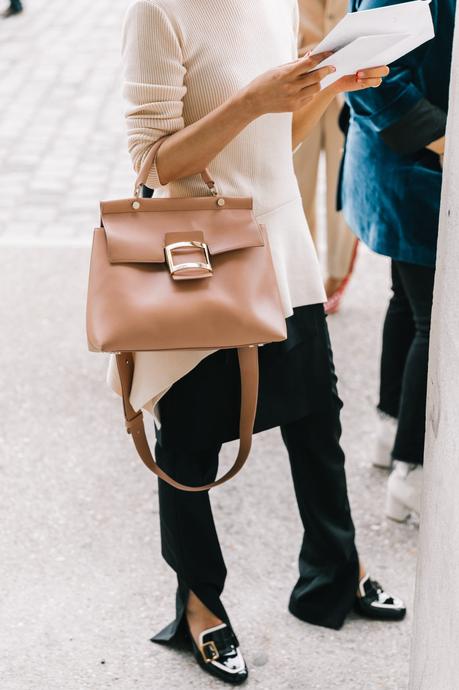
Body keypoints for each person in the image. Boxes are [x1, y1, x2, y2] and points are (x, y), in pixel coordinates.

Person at [116, 0, 403, 683]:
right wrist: (249, 99)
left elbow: (281, 138)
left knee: (315, 419)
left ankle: (333, 571)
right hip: (199, 251)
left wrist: (329, 87)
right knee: (189, 442)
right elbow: (153, 161)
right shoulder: (158, 11)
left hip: (280, 239)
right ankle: (198, 605)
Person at [340, 0, 456, 521]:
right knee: (434, 319)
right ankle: (412, 470)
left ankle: (391, 437)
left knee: (409, 305)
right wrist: (445, 141)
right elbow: (369, 72)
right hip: (415, 169)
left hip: (406, 167)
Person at [294, 0, 358, 314]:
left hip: (349, 84)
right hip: (292, 81)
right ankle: (300, 275)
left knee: (343, 188)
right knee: (292, 187)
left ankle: (335, 276)